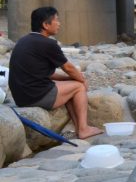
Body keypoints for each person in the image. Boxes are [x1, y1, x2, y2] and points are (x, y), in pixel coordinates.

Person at [8, 7, 102, 140]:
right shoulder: (47, 44)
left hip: (21, 96)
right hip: (35, 96)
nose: (59, 23)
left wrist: (69, 79)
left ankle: (78, 127)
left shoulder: (25, 41)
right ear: (45, 25)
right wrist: (81, 80)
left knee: (72, 85)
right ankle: (83, 129)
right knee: (79, 87)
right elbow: (69, 68)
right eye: (56, 20)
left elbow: (48, 74)